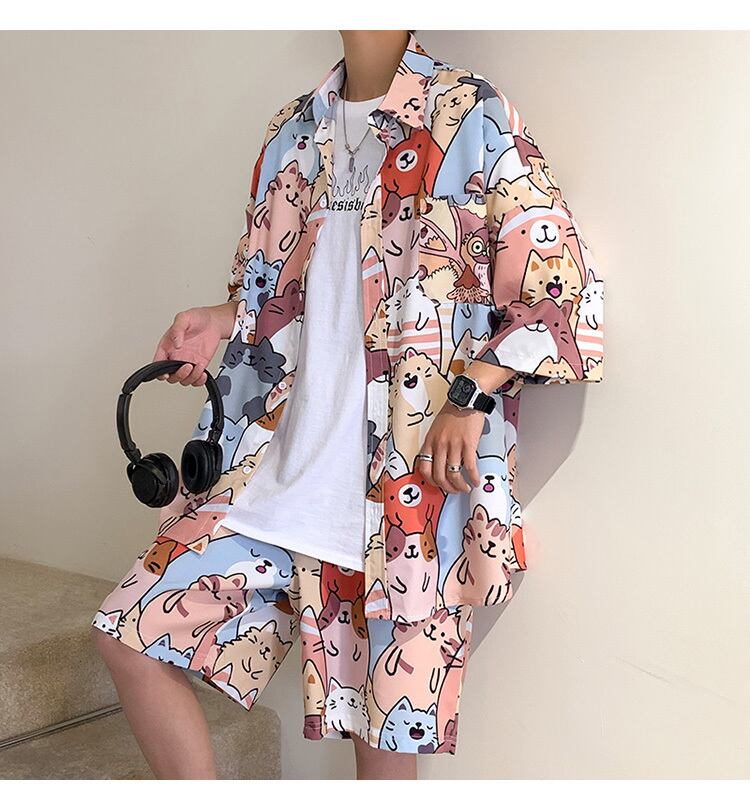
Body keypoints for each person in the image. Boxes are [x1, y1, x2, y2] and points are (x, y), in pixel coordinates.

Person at [91, 29, 604, 780]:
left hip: (402, 509)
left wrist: (470, 394)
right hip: (273, 480)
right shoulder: (293, 130)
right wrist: (219, 319)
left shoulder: (472, 116)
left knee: (383, 769)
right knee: (127, 637)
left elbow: (564, 297)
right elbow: (282, 299)